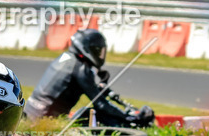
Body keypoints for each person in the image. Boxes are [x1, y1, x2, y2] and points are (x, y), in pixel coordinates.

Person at [24, 28, 154, 127]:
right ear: (88, 49)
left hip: (31, 114)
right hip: (45, 121)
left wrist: (99, 87)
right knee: (92, 114)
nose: (100, 55)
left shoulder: (66, 58)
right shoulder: (80, 68)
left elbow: (81, 86)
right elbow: (101, 104)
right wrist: (127, 118)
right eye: (98, 51)